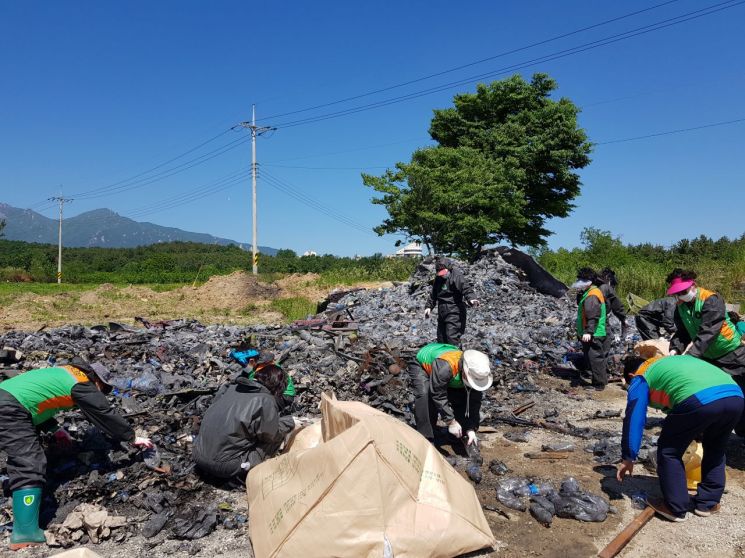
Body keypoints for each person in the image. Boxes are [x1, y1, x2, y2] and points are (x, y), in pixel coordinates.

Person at [0, 358, 151, 550]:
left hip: (7, 400)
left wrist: (55, 429)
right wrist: (132, 437)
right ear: (97, 380)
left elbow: (33, 399)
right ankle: (24, 533)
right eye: (103, 389)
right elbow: (103, 411)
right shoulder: (81, 383)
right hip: (8, 408)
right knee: (29, 462)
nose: (101, 393)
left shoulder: (65, 373)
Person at [617, 355, 743, 521]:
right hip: (736, 396)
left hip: (701, 399)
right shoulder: (669, 363)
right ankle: (708, 503)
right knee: (715, 448)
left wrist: (628, 456)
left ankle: (675, 507)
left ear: (631, 376)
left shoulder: (640, 377)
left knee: (669, 450)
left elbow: (634, 417)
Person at [193, 364, 296, 484]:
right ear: (279, 385)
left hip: (197, 454)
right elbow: (270, 436)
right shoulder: (265, 400)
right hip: (225, 467)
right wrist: (290, 421)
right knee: (275, 437)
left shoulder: (230, 388)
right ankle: (249, 475)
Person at [407, 342, 492, 448]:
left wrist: (471, 428)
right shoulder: (445, 368)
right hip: (422, 364)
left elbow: (473, 402)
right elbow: (438, 394)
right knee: (425, 395)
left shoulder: (478, 371)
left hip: (447, 370)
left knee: (460, 396)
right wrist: (450, 421)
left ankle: (460, 435)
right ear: (465, 373)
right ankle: (426, 439)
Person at [424, 257, 479, 347]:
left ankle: (455, 359)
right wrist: (428, 306)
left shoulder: (456, 275)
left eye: (443, 272)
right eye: (439, 272)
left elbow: (465, 287)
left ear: (448, 269)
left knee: (452, 337)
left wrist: (472, 298)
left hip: (454, 310)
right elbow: (433, 294)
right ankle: (443, 359)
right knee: (441, 337)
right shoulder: (438, 278)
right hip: (442, 310)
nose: (441, 275)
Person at [573, 267, 610, 390]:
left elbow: (593, 315)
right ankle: (601, 381)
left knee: (595, 358)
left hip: (593, 332)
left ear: (588, 281)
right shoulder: (592, 292)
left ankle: (599, 385)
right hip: (596, 331)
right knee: (596, 357)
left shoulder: (592, 295)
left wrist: (589, 332)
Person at [228, 348, 296, 407]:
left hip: (284, 397)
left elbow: (256, 386)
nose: (242, 366)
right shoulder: (255, 367)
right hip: (274, 392)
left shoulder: (266, 369)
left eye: (242, 364)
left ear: (252, 361)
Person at [598, 267, 628, 339]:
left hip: (584, 325)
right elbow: (617, 306)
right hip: (597, 324)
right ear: (608, 278)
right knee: (608, 340)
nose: (613, 288)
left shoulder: (591, 285)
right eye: (613, 286)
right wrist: (623, 318)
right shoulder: (605, 287)